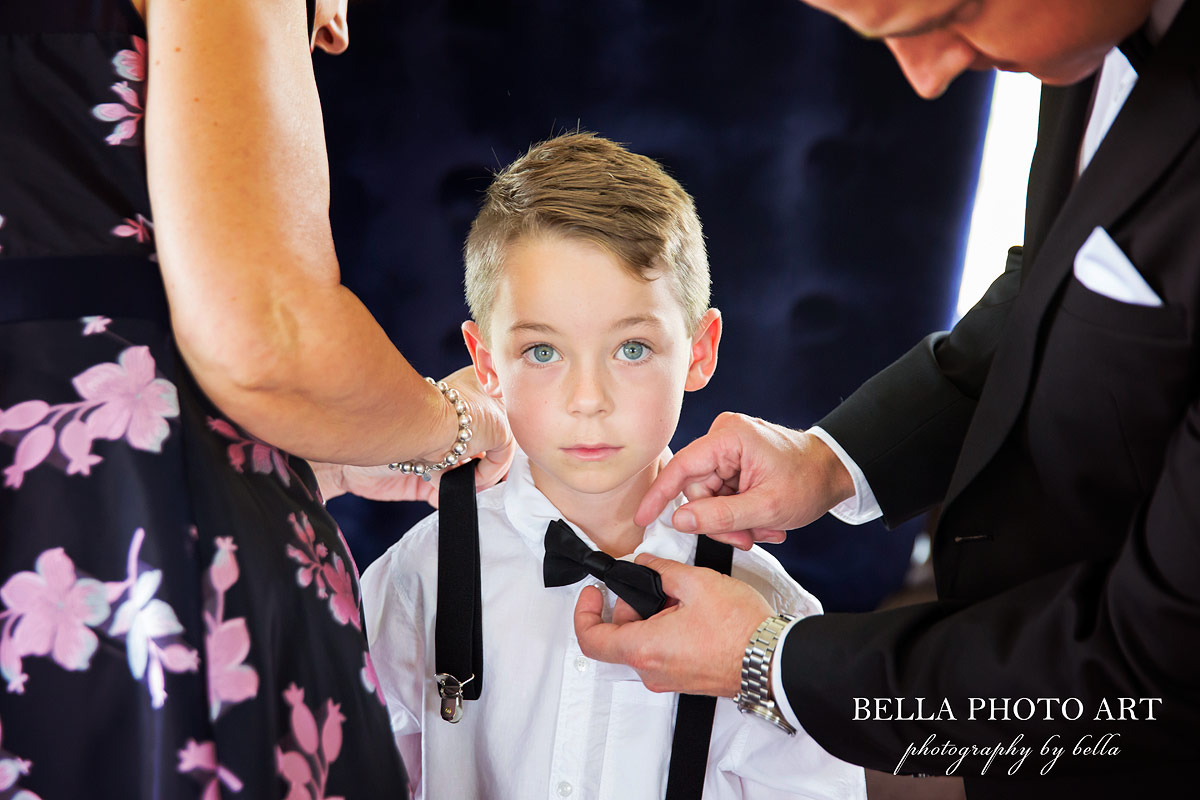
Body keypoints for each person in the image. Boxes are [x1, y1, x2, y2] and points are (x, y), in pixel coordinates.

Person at [574, 0, 1199, 797]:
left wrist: (772, 663)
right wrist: (832, 459)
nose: (928, 75)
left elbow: (1156, 666)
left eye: (951, 12)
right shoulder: (1086, 38)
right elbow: (1052, 284)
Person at [0, 0, 511, 796]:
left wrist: (317, 443)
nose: (333, 32)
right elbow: (268, 339)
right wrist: (452, 424)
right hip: (123, 558)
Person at [361, 133, 866, 800]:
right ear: (486, 364)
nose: (588, 400)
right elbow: (355, 765)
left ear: (699, 352)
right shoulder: (418, 574)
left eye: (631, 348)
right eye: (543, 352)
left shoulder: (766, 616)